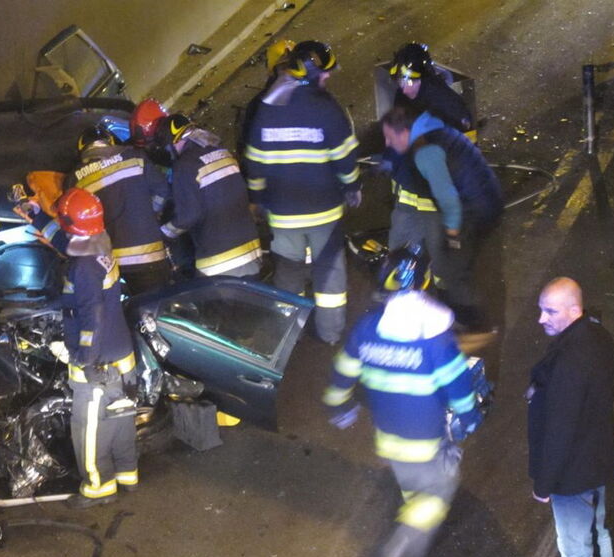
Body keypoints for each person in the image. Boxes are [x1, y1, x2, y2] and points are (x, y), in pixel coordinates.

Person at [323, 244, 481, 557]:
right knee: (437, 494)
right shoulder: (435, 339)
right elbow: (459, 387)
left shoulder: (367, 328)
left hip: (388, 437)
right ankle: (399, 550)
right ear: (424, 281)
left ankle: (411, 517)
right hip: (425, 437)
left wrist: (337, 405)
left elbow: (343, 371)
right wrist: (470, 420)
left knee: (413, 487)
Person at [244, 40, 361, 343]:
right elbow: (345, 157)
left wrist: (257, 199)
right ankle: (331, 333)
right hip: (324, 212)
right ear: (312, 73)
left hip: (282, 215)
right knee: (330, 274)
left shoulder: (267, 107)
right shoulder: (327, 107)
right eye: (326, 73)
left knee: (289, 274)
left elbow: (255, 162)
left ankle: (288, 335)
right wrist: (352, 187)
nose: (329, 78)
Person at [527, 277, 614, 557]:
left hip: (572, 474)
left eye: (550, 311)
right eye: (540, 309)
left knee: (576, 553)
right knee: (600, 534)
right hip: (597, 459)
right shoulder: (599, 337)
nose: (541, 318)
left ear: (574, 310)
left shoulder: (569, 363)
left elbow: (559, 430)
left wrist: (543, 485)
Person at [381, 106, 503, 333]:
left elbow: (448, 199)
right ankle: (462, 315)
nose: (387, 144)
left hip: (475, 208)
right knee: (451, 265)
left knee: (453, 269)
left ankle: (471, 324)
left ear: (404, 133)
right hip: (485, 197)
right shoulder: (433, 131)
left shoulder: (425, 151)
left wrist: (453, 232)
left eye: (389, 137)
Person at [55, 188, 139, 509]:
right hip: (121, 354)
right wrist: (31, 212)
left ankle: (97, 485)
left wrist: (83, 357)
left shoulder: (84, 268)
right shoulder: (101, 243)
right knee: (120, 419)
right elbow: (65, 240)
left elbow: (93, 316)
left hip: (98, 362)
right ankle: (126, 475)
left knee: (88, 427)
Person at [68, 124, 172, 295]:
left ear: (82, 149)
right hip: (150, 256)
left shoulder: (75, 179)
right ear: (110, 141)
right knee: (160, 308)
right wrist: (150, 213)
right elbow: (162, 191)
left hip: (113, 263)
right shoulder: (135, 157)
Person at [155, 113, 262, 278]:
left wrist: (163, 233)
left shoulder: (185, 166)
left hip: (220, 261)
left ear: (175, 141)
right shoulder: (223, 152)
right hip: (252, 250)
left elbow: (188, 216)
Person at [390, 42, 473, 136]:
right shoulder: (402, 96)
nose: (404, 90)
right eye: (400, 83)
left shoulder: (442, 101)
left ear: (421, 81)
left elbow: (465, 126)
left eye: (409, 83)